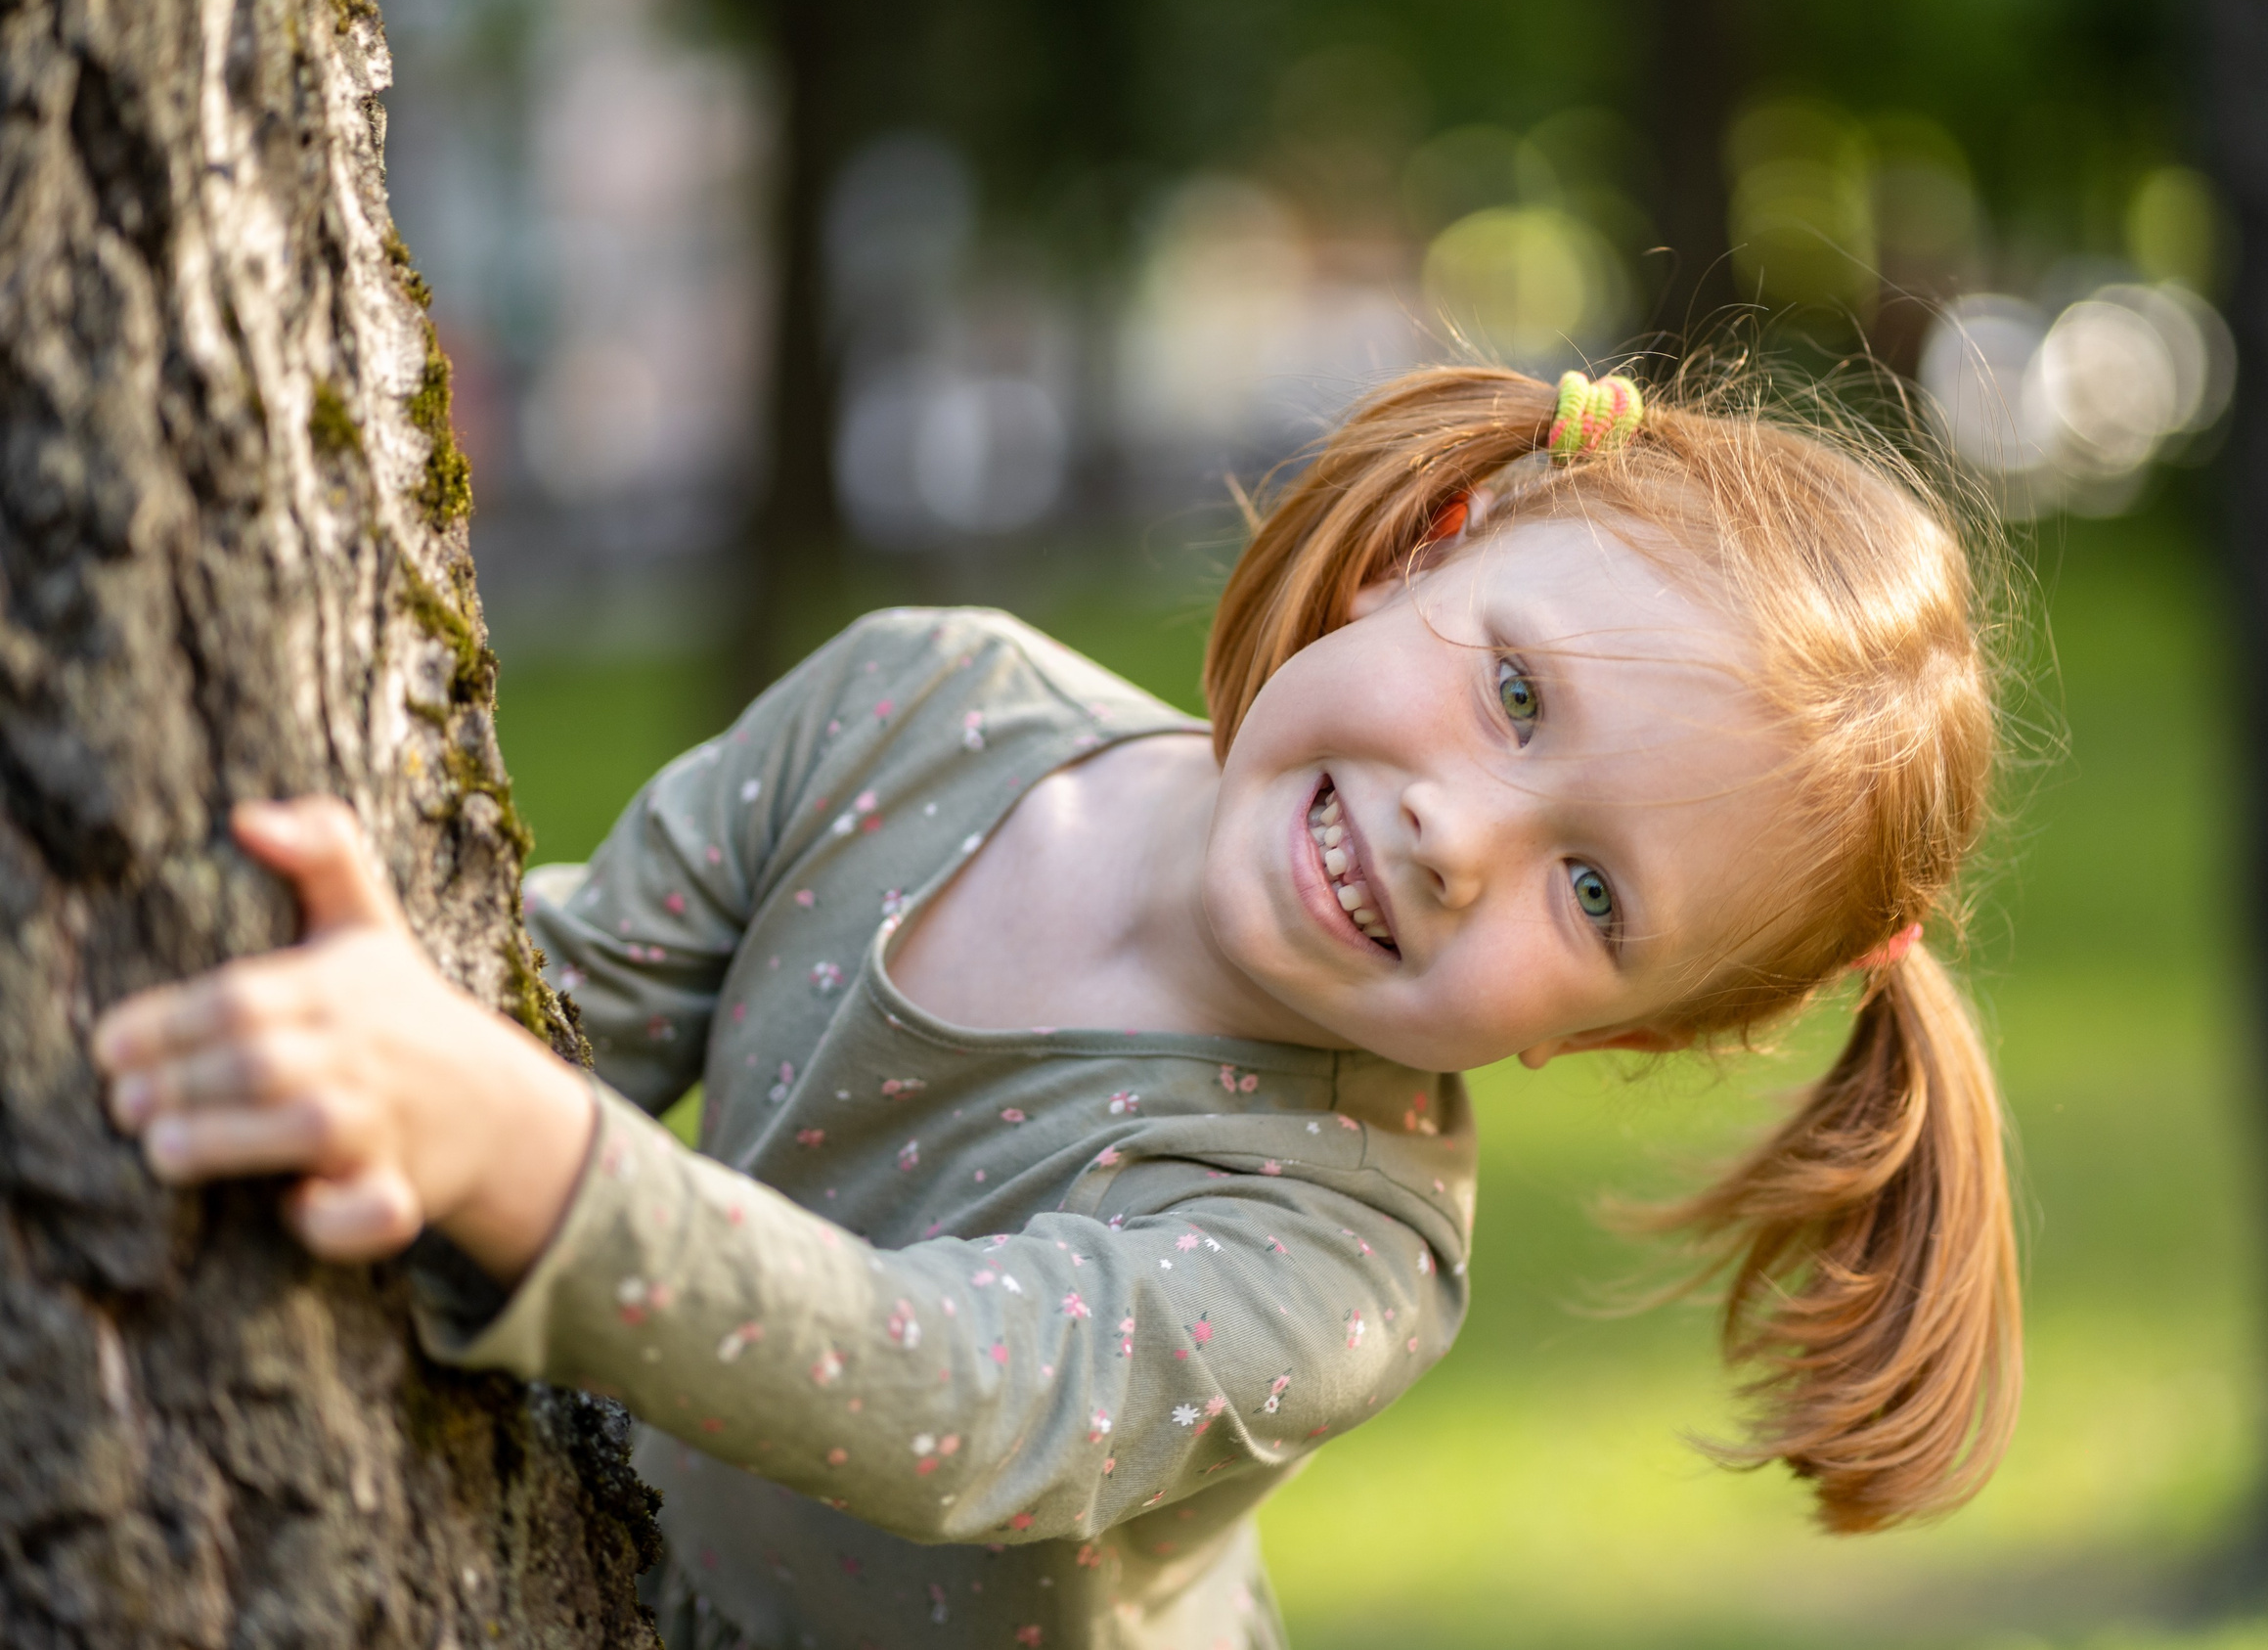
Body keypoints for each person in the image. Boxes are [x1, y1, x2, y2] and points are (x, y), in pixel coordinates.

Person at [91, 364, 2021, 1650]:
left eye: (1592, 893)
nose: (1458, 834)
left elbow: (957, 1391)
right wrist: (388, 1027)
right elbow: (558, 1000)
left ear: (1592, 1035)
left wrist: (514, 1150)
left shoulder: (1333, 1243)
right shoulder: (914, 707)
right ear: (1421, 552)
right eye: (1514, 692)